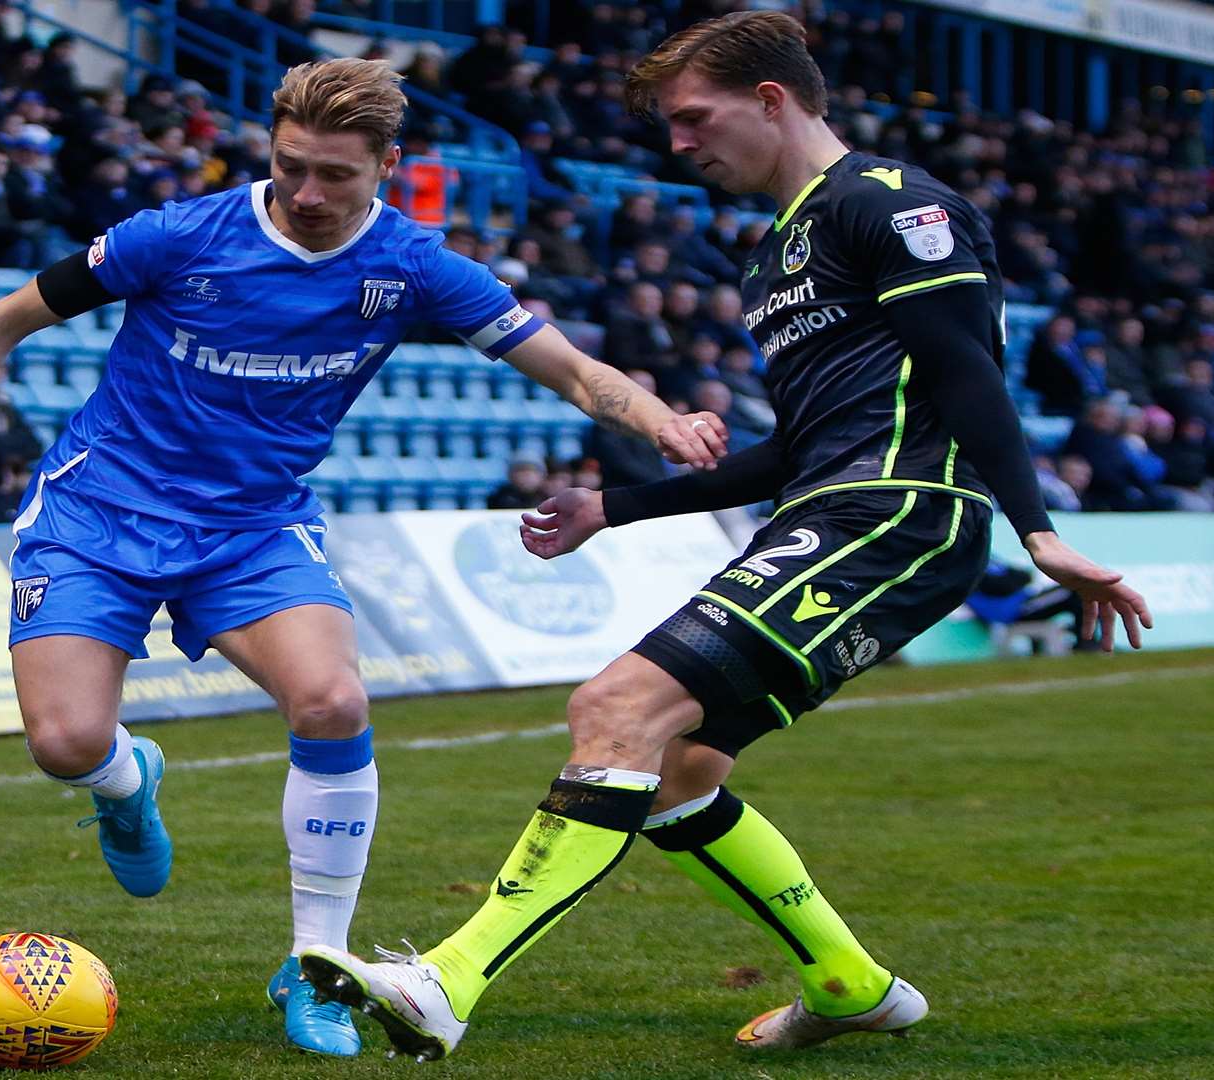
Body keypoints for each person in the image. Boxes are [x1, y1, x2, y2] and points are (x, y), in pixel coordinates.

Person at [297, 14, 1152, 1061]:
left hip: (896, 513)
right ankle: (851, 985)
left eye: (694, 117)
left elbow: (963, 371)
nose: (679, 143)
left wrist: (1042, 531)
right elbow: (799, 445)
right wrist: (614, 507)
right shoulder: (774, 256)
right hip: (832, 507)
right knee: (681, 774)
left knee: (616, 705)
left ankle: (445, 980)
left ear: (774, 99)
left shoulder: (891, 202)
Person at [0, 57, 724, 1059]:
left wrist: (660, 420)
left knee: (334, 703)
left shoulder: (414, 266)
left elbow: (566, 365)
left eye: (336, 176)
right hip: (98, 512)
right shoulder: (178, 236)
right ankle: (125, 785)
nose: (307, 194)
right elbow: (2, 320)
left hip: (254, 528)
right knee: (64, 744)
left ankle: (315, 965)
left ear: (388, 166)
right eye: (290, 166)